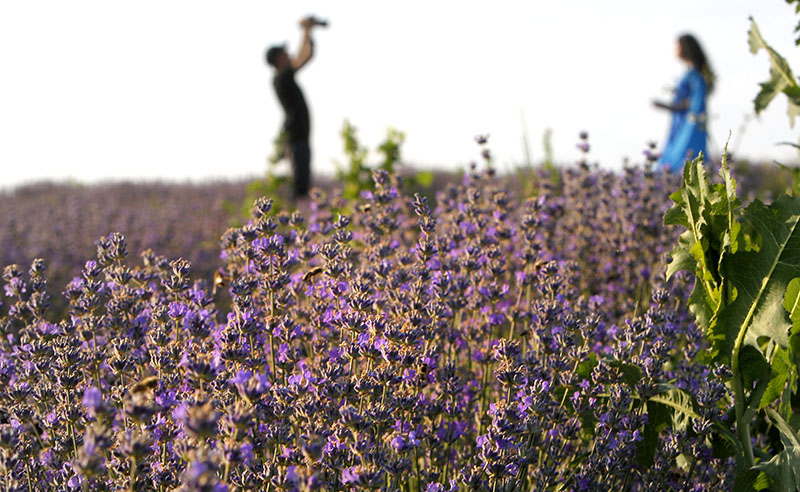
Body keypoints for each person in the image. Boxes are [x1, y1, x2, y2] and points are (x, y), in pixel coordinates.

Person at [266, 16, 325, 200]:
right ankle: (297, 217)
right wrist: (307, 31)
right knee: (300, 186)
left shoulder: (283, 78)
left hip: (298, 137)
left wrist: (308, 32)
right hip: (296, 139)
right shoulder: (282, 77)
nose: (288, 53)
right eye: (284, 53)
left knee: (302, 182)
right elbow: (304, 57)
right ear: (277, 60)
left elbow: (305, 56)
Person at [653, 34, 715, 172]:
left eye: (677, 47)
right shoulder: (690, 73)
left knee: (682, 160)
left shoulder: (694, 75)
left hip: (688, 126)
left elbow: (694, 103)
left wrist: (665, 106)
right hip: (680, 122)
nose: (674, 50)